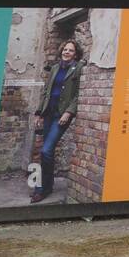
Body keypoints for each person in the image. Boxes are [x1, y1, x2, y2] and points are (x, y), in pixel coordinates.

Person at [31, 39, 84, 204]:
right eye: (65, 49)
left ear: (75, 54)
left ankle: (42, 189)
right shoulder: (55, 68)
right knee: (47, 152)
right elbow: (47, 92)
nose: (67, 52)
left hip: (61, 116)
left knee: (46, 150)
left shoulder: (79, 68)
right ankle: (47, 185)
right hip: (48, 114)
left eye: (70, 50)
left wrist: (69, 112)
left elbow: (78, 93)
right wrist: (39, 113)